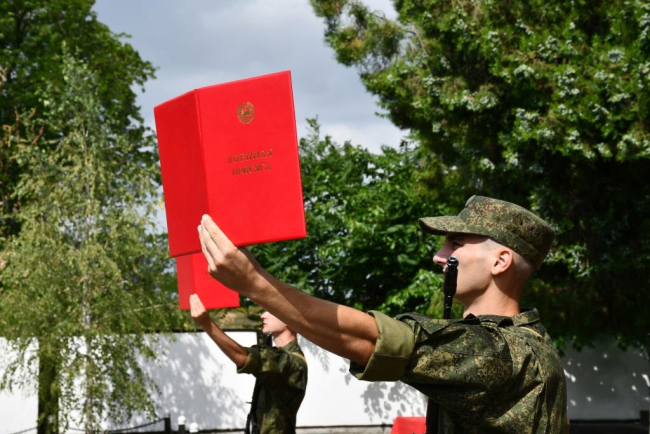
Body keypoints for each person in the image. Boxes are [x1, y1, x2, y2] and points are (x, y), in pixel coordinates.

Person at [196, 195, 570, 433]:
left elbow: (372, 339)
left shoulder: (507, 352)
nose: (439, 256)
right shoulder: (517, 343)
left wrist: (255, 282)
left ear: (500, 261)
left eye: (455, 243)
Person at [189, 294, 308, 434]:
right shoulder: (284, 357)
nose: (263, 315)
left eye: (271, 311)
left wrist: (207, 324)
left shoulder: (292, 362)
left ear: (289, 319)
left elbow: (243, 357)